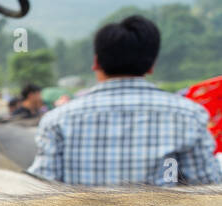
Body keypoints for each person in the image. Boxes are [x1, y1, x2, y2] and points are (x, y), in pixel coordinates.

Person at [28, 15, 221, 186]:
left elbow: (40, 188)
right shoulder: (189, 116)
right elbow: (207, 186)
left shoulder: (56, 121)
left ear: (96, 63)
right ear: (151, 65)